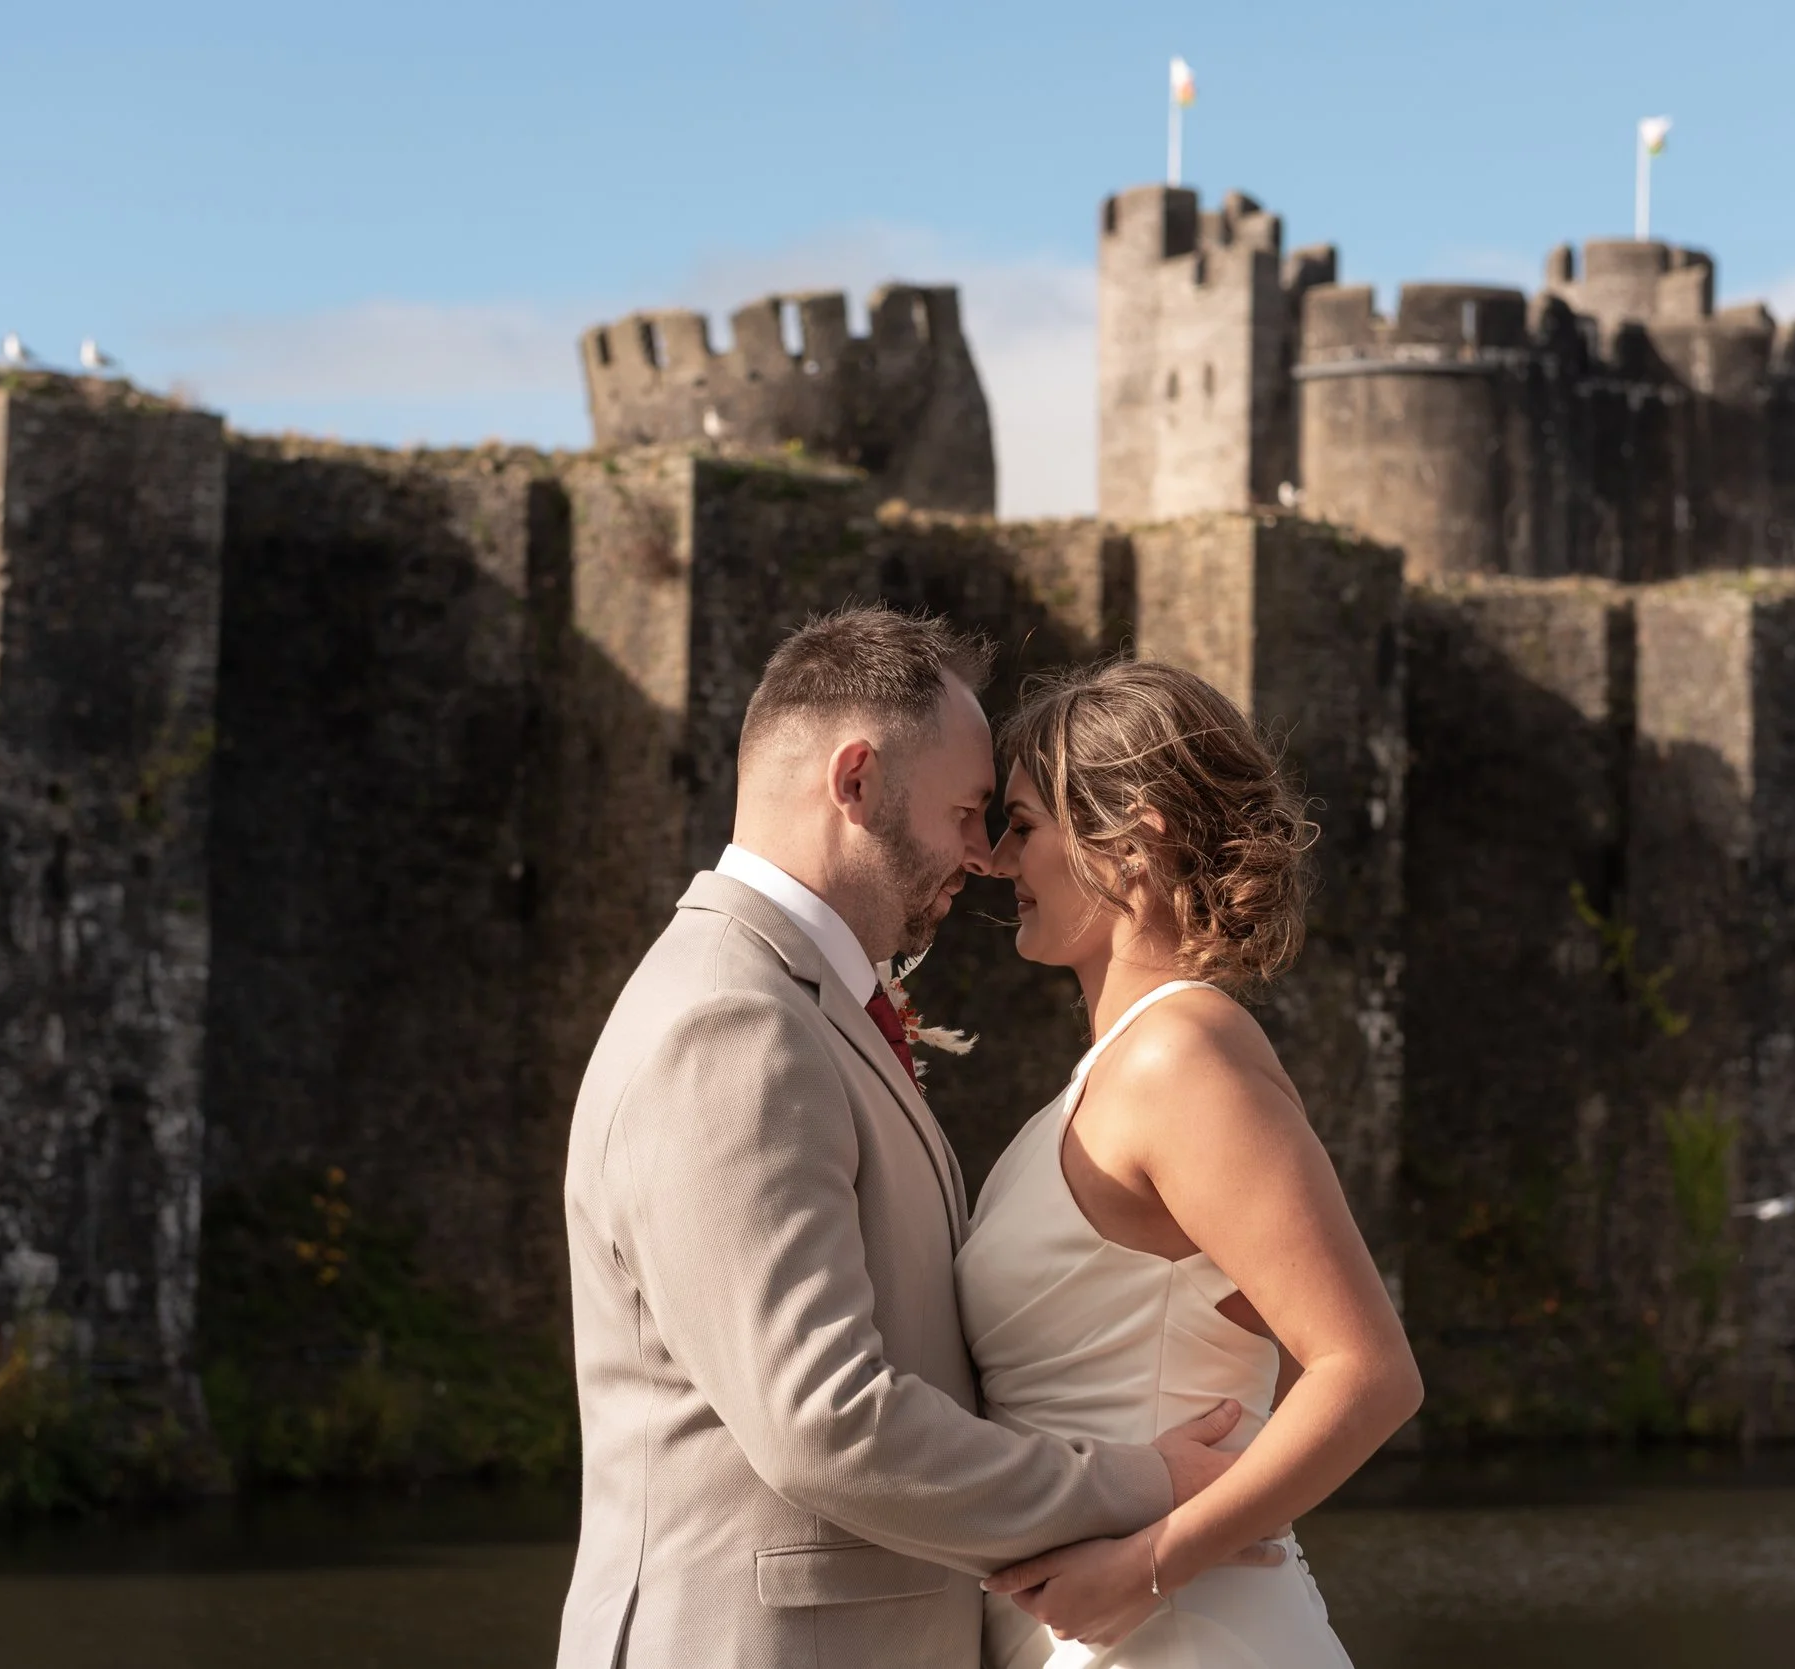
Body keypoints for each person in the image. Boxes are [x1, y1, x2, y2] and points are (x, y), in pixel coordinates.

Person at [556, 607, 1268, 1669]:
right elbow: (825, 1420)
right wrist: (1141, 1483)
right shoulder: (730, 1021)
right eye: (968, 811)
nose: (981, 857)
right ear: (854, 784)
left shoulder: (797, 1009)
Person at [965, 658, 1425, 1665]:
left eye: (1025, 823)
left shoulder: (1181, 1059)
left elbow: (1369, 1372)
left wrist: (1145, 1568)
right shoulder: (1115, 1070)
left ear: (1132, 842)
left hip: (1180, 1630)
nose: (998, 861)